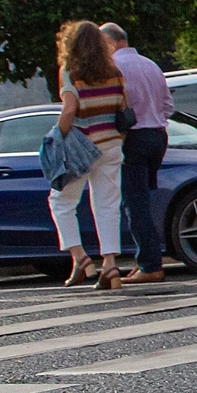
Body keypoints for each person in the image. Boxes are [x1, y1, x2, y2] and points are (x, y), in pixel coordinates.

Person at [50, 20, 130, 289]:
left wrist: (57, 137)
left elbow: (69, 110)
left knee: (61, 201)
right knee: (107, 206)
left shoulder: (70, 73)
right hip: (111, 145)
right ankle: (110, 265)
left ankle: (81, 258)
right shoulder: (115, 72)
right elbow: (122, 108)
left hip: (82, 147)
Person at [100, 22, 174, 283]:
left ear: (110, 43)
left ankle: (150, 264)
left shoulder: (114, 68)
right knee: (142, 200)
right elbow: (168, 105)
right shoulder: (151, 65)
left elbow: (114, 105)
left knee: (135, 204)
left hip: (134, 137)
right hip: (158, 135)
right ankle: (147, 256)